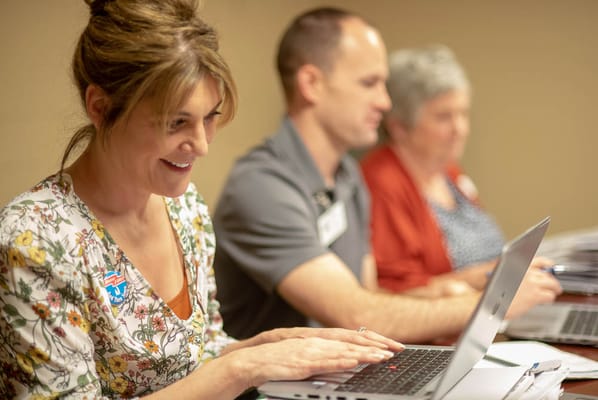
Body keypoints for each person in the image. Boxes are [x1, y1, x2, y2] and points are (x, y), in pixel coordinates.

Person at [0, 1, 405, 398]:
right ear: (101, 108)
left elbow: (198, 356)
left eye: (210, 117)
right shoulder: (34, 240)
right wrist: (240, 368)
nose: (200, 145)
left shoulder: (183, 206)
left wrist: (267, 347)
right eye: (177, 122)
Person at [212, 8, 562, 344]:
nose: (384, 101)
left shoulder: (346, 174)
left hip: (339, 371)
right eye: (370, 83)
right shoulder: (262, 185)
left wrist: (447, 287)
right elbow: (357, 315)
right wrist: (492, 302)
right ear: (312, 83)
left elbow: (369, 296)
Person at [359, 45, 560, 296]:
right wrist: (487, 275)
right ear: (399, 127)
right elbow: (392, 292)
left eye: (463, 113)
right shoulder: (382, 183)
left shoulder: (449, 171)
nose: (460, 129)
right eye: (444, 117)